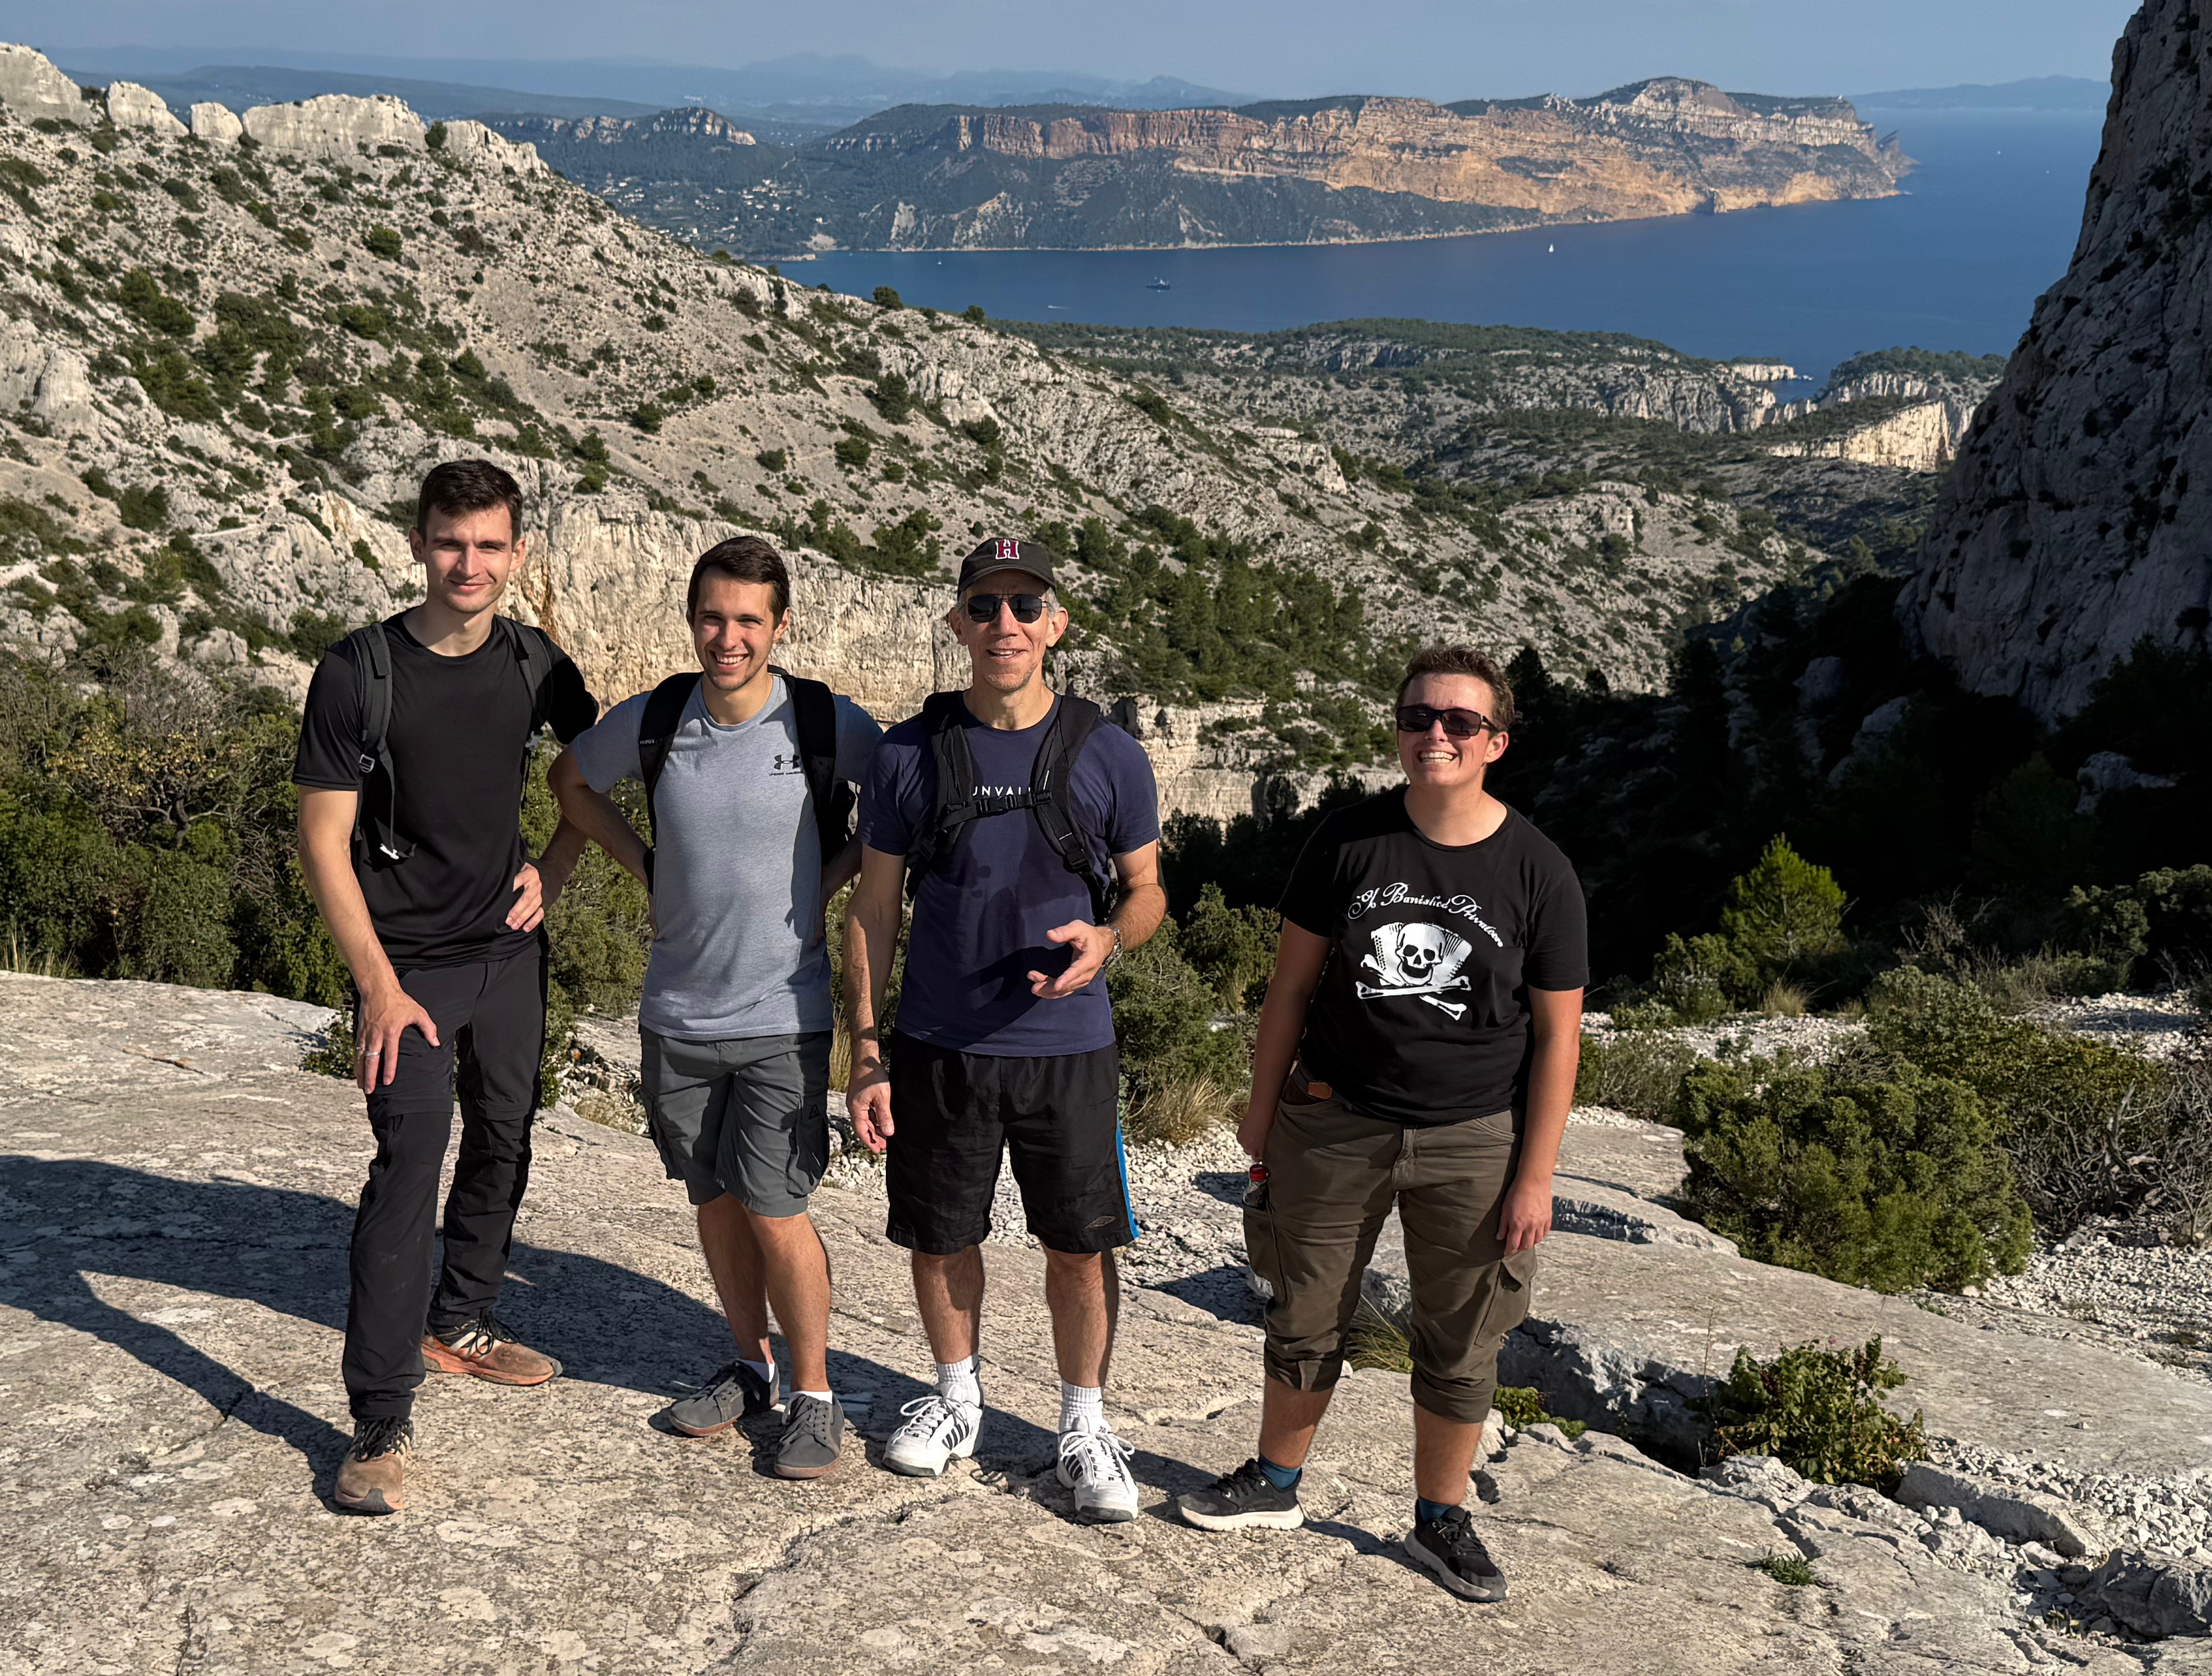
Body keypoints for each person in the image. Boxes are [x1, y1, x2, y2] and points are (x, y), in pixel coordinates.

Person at [1178, 646, 1587, 1604]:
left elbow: (1560, 1040)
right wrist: (1260, 1107)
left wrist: (1537, 1173)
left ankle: (1440, 1517)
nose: (1434, 735)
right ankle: (1276, 1483)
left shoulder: (1539, 871)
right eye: (1417, 717)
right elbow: (1289, 988)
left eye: (1458, 721)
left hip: (1473, 1140)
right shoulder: (1349, 842)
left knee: (1463, 1334)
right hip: (1330, 1123)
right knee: (1304, 1308)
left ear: (1497, 741)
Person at [293, 458, 599, 1515]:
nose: (469, 564)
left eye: (490, 546)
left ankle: (462, 1317)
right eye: (450, 543)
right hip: (408, 964)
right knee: (410, 1157)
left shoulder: (534, 663)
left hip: (506, 949)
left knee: (508, 1128)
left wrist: (552, 870)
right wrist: (376, 987)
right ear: (419, 545)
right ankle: (379, 1418)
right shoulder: (360, 672)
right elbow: (322, 841)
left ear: (518, 555)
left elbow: (592, 772)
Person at [548, 535, 885, 1484]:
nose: (727, 637)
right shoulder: (659, 717)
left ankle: (816, 1396)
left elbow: (904, 796)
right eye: (713, 616)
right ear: (691, 618)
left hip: (784, 1010)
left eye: (748, 620)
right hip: (678, 1014)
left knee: (777, 1206)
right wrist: (642, 864)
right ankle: (751, 1367)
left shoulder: (822, 722)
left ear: (780, 627)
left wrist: (837, 872)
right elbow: (569, 782)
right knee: (714, 1199)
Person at [844, 537, 1167, 1519]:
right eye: (984, 606)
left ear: (1057, 625)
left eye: (1027, 605)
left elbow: (1148, 890)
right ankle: (956, 1401)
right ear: (957, 625)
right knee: (941, 1235)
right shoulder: (911, 752)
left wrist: (1109, 939)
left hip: (1068, 1051)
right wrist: (867, 1049)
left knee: (1078, 1243)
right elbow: (872, 909)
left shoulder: (1107, 752)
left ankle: (1084, 1424)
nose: (1006, 624)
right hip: (941, 1045)